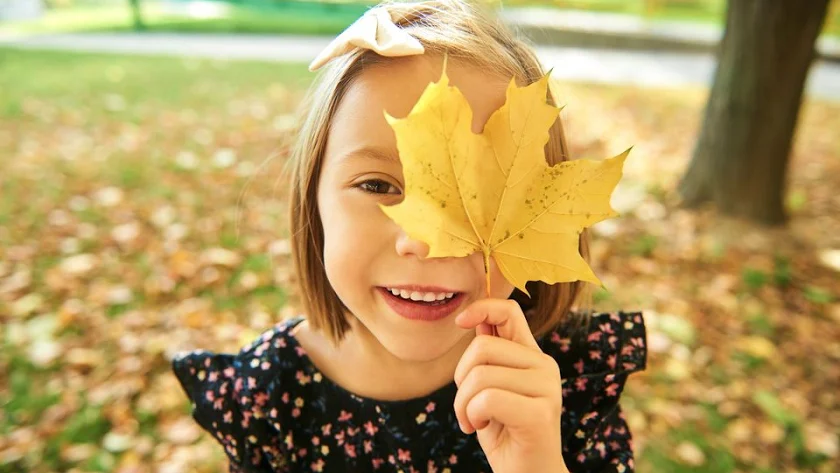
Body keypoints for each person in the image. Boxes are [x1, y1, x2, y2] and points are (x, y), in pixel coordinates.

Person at [171, 1, 647, 472]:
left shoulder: (570, 390)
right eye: (377, 186)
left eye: (474, 199)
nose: (422, 242)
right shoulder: (267, 400)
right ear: (312, 198)